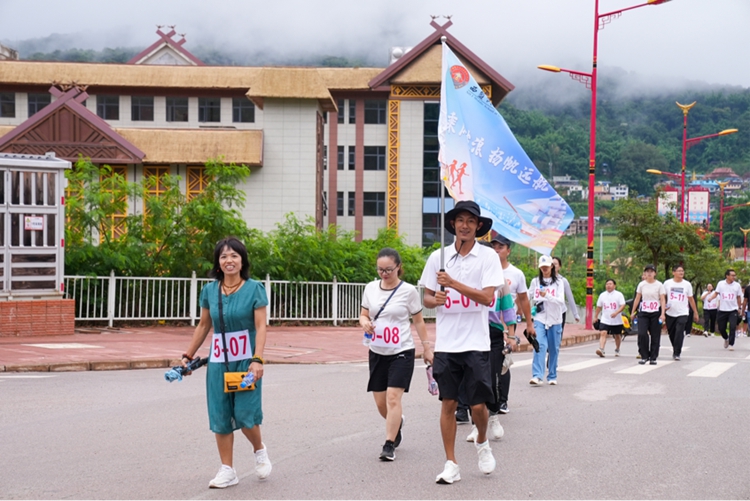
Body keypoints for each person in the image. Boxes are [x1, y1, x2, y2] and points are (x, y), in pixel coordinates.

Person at [420, 200, 504, 484]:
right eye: (460, 220)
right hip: (447, 344)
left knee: (478, 406)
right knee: (448, 403)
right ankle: (451, 463)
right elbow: (427, 297)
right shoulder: (438, 258)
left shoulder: (487, 257)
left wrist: (454, 284)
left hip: (476, 343)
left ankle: (482, 442)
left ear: (478, 226)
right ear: (453, 224)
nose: (465, 225)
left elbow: (487, 298)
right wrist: (436, 299)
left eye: (471, 220)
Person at [180, 237, 271, 489]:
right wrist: (187, 357)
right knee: (220, 415)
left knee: (245, 414)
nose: (228, 260)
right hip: (219, 361)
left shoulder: (254, 289)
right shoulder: (210, 291)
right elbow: (203, 325)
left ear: (242, 261)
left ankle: (259, 450)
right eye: (223, 256)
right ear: (218, 263)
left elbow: (261, 326)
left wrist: (257, 359)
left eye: (234, 256)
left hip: (246, 361)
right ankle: (227, 469)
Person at [360, 247, 432, 462]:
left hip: (402, 350)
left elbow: (418, 321)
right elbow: (363, 315)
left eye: (389, 269)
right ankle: (397, 422)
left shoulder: (408, 291)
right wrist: (365, 323)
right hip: (377, 351)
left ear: (399, 268)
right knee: (382, 403)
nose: (384, 273)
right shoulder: (371, 288)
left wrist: (426, 347)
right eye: (380, 269)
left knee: (393, 397)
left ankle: (389, 444)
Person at [463, 234, 533, 442]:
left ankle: (492, 416)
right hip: (471, 331)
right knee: (472, 380)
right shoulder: (466, 278)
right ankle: (477, 426)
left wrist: (511, 335)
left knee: (490, 379)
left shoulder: (501, 281)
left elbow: (508, 310)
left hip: (493, 333)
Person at [528, 255, 566, 385]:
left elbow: (561, 301)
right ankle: (537, 375)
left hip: (555, 319)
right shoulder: (535, 282)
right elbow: (529, 294)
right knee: (539, 345)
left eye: (547, 266)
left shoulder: (559, 282)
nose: (544, 269)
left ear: (552, 266)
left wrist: (547, 296)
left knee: (553, 348)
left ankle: (552, 376)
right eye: (542, 267)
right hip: (540, 317)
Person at [630, 264, 666, 365]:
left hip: (655, 312)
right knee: (642, 333)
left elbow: (662, 299)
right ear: (645, 273)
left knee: (655, 335)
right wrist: (633, 311)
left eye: (651, 271)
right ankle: (644, 355)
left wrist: (662, 314)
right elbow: (637, 298)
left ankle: (653, 357)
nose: (649, 273)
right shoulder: (641, 285)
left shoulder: (659, 285)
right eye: (647, 271)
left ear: (655, 273)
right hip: (643, 312)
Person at [663, 265, 699, 361]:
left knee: (679, 331)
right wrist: (663, 308)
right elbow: (662, 297)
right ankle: (675, 347)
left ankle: (677, 352)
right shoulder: (667, 283)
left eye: (682, 271)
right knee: (672, 333)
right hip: (670, 312)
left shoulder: (687, 284)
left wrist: (695, 312)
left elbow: (691, 299)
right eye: (679, 271)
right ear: (673, 272)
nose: (681, 273)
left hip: (683, 312)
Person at [708, 269, 743, 350]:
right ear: (727, 276)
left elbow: (738, 297)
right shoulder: (721, 284)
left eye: (735, 275)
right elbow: (716, 293)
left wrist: (739, 308)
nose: (734, 277)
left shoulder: (737, 285)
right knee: (721, 328)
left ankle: (731, 344)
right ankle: (726, 338)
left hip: (733, 310)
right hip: (723, 310)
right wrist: (711, 298)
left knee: (732, 326)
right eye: (732, 275)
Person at [594, 279, 626, 357]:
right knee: (603, 333)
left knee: (617, 335)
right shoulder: (602, 295)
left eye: (610, 284)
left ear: (614, 286)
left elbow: (623, 305)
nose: (608, 285)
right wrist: (595, 316)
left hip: (616, 320)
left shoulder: (619, 295)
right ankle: (601, 349)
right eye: (607, 284)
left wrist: (616, 312)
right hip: (605, 318)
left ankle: (617, 349)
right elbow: (599, 307)